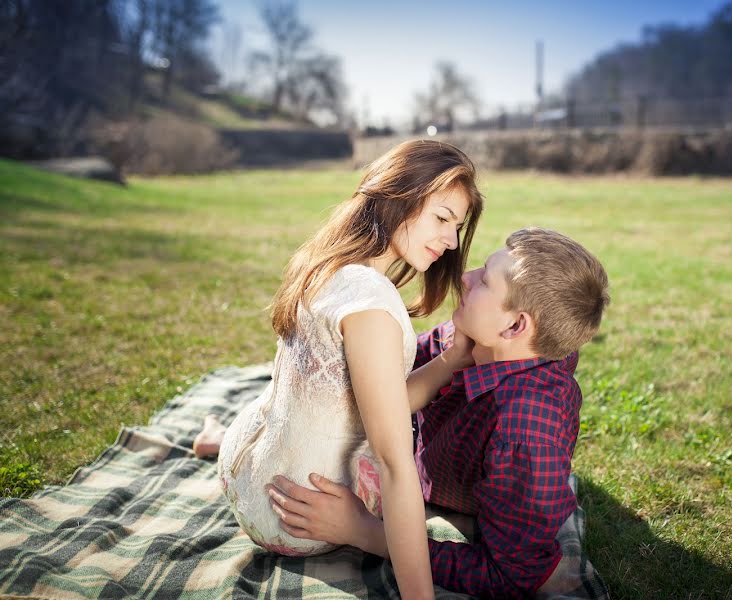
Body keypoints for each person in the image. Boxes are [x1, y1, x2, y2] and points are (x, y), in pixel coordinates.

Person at [194, 139, 484, 600]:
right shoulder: (371, 306)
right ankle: (218, 438)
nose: (451, 241)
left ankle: (218, 440)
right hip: (301, 514)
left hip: (248, 472)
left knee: (289, 398)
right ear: (398, 197)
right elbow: (394, 464)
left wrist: (451, 360)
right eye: (442, 219)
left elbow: (378, 401)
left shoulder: (325, 261)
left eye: (457, 226)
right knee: (397, 458)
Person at [265, 228, 611, 598]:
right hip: (423, 454)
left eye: (485, 281)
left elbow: (510, 576)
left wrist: (363, 532)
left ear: (514, 326)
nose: (466, 276)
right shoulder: (482, 338)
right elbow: (387, 376)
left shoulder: (526, 433)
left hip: (458, 486)